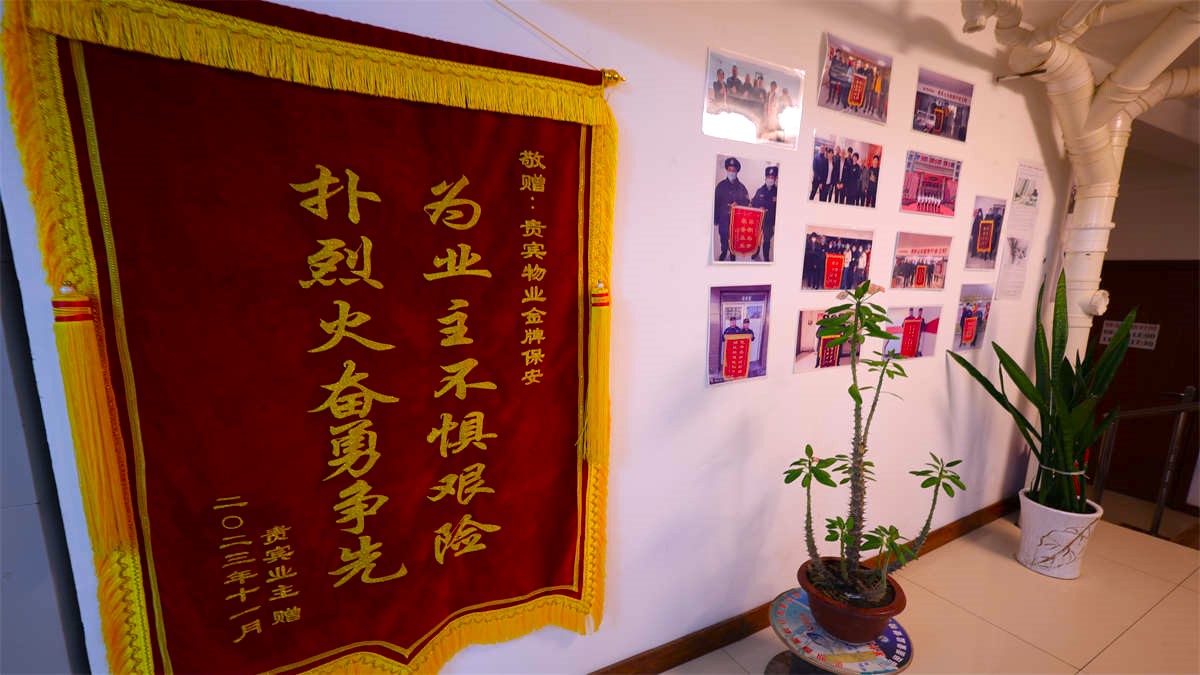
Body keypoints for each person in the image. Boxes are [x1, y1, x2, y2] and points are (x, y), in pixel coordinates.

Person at [714, 157, 750, 261]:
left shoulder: (742, 187)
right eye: (729, 170)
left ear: (737, 171)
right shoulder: (720, 186)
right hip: (723, 218)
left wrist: (738, 204)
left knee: (734, 238)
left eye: (733, 170)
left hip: (736, 220)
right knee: (723, 236)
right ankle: (724, 251)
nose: (731, 172)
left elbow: (746, 202)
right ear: (726, 170)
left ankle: (732, 253)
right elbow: (716, 203)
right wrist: (716, 219)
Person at [752, 166, 778, 261]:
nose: (770, 179)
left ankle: (766, 257)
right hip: (759, 220)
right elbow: (754, 203)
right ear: (765, 178)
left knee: (767, 240)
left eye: (772, 177)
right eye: (768, 177)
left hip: (770, 221)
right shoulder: (760, 190)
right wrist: (759, 208)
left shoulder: (778, 192)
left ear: (775, 179)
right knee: (757, 238)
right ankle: (756, 252)